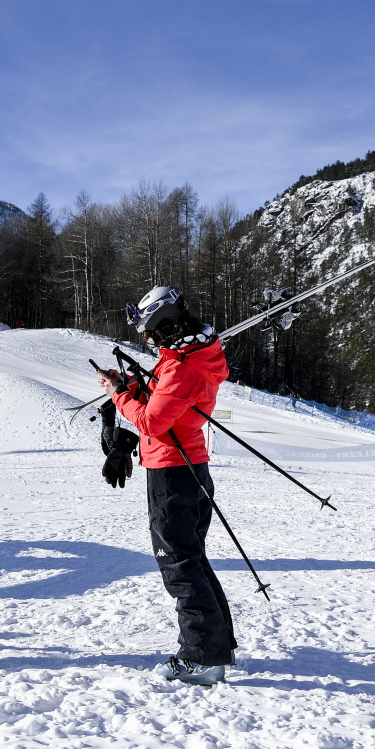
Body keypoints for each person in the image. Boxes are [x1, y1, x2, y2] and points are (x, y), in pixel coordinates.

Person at [95, 286, 236, 685]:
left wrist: (118, 394)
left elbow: (151, 423)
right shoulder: (188, 358)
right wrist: (133, 388)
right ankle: (217, 646)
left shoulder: (180, 368)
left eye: (149, 331)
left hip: (173, 470)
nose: (146, 339)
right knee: (191, 558)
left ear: (163, 325)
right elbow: (163, 403)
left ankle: (202, 657)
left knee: (178, 562)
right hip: (187, 467)